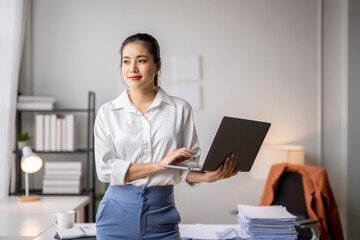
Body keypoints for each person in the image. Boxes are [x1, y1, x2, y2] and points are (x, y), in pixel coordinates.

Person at [94, 33, 239, 240]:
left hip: (162, 217)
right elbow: (105, 170)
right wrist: (160, 165)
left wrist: (208, 177)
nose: (132, 68)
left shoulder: (180, 109)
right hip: (115, 216)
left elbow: (183, 168)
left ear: (157, 65)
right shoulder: (107, 112)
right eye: (126, 61)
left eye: (141, 60)